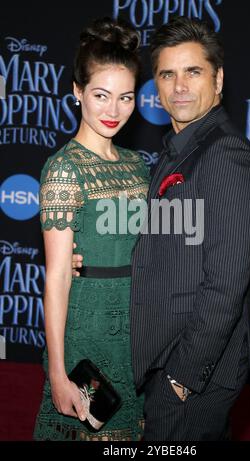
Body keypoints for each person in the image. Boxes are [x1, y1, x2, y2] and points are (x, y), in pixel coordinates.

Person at [73, 17, 250, 441]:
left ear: (218, 80)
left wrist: (182, 377)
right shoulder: (176, 151)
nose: (179, 85)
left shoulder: (225, 159)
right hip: (164, 362)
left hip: (192, 372)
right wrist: (86, 253)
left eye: (193, 71)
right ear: (157, 88)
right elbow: (160, 242)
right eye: (168, 73)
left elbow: (225, 285)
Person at [34, 17, 149, 441]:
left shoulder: (138, 166)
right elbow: (59, 276)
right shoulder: (64, 170)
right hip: (88, 328)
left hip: (137, 331)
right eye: (101, 95)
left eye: (125, 98)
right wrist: (58, 372)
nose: (113, 110)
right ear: (77, 91)